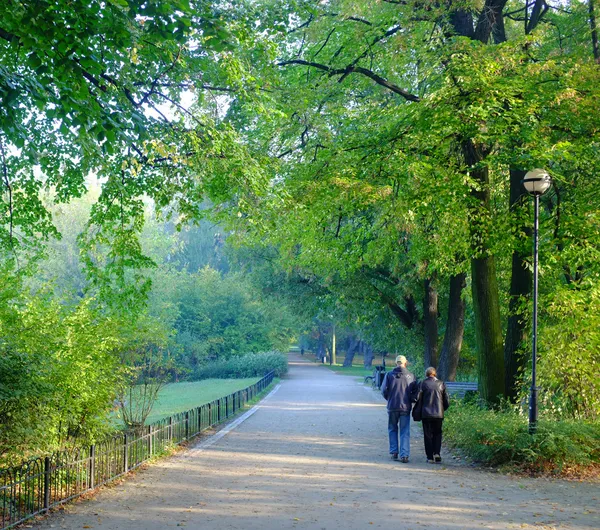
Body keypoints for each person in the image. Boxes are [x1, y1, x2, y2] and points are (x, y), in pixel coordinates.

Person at [380, 354, 417, 463]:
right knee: (405, 430)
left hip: (392, 406)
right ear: (405, 363)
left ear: (396, 363)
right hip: (405, 406)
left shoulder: (389, 375)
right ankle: (404, 455)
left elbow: (383, 390)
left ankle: (394, 452)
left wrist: (390, 398)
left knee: (392, 428)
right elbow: (415, 392)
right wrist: (410, 400)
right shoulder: (411, 376)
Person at [418, 366, 450, 464]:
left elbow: (419, 399)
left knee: (427, 435)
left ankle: (429, 457)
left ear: (426, 374)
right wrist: (442, 409)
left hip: (426, 414)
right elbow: (446, 400)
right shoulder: (441, 384)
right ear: (434, 373)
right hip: (438, 414)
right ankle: (437, 453)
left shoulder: (423, 383)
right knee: (437, 433)